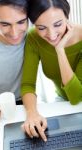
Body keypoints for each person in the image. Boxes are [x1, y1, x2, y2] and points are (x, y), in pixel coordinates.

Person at [21, 0, 82, 142]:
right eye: (41, 27)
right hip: (62, 101)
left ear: (67, 16)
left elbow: (76, 97)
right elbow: (28, 84)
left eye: (58, 24)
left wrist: (60, 50)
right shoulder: (33, 38)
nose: (52, 35)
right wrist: (32, 113)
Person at [0, 0, 28, 122]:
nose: (15, 34)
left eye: (21, 22)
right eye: (5, 24)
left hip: (24, 104)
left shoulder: (33, 35)